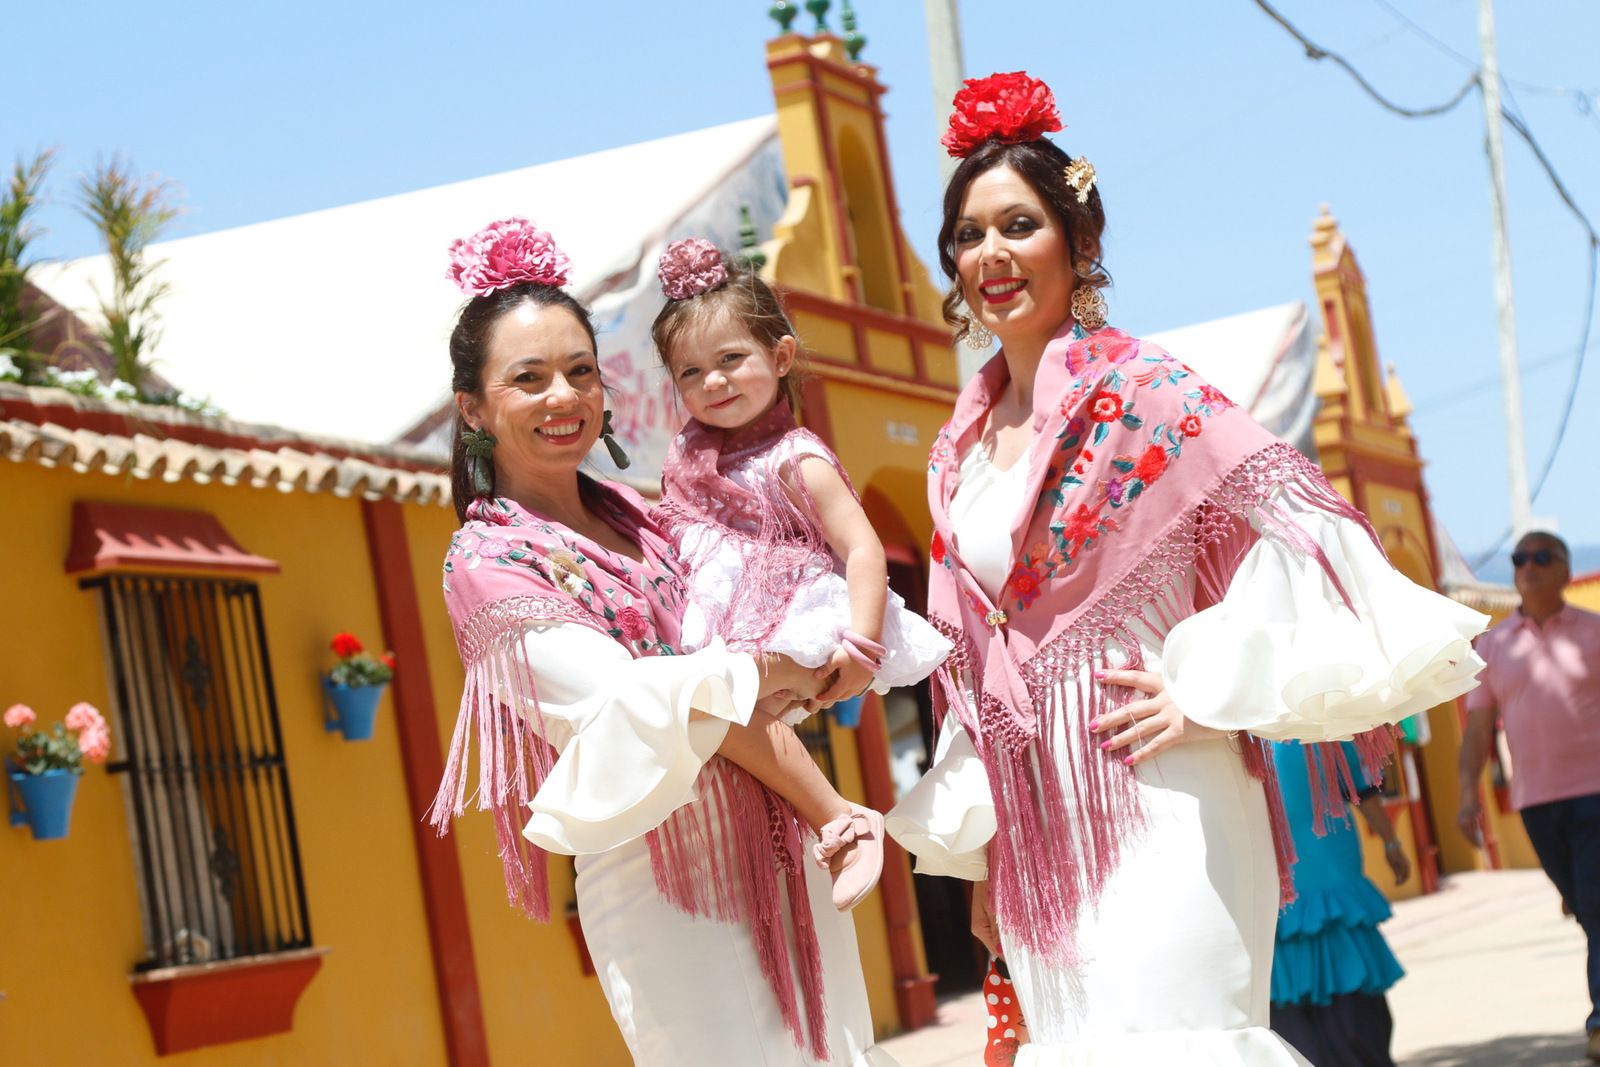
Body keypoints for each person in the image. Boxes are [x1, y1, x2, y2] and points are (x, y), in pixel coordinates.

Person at [884, 71, 1488, 1064]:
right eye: (967, 232)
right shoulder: (957, 445)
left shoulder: (1144, 390)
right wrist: (991, 854)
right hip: (1041, 826)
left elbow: (1305, 526)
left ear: (1079, 244)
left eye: (1019, 224)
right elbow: (975, 670)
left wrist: (1215, 695)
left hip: (1162, 788)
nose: (989, 253)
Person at [427, 217, 900, 1066]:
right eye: (527, 378)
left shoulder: (650, 519)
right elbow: (634, 702)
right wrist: (783, 666)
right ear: (473, 407)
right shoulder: (489, 563)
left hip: (785, 845)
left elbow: (756, 623)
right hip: (666, 885)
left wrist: (818, 654)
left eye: (580, 371)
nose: (563, 397)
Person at [650, 238, 951, 909]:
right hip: (725, 616)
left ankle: (841, 819)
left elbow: (864, 549)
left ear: (781, 357)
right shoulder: (688, 459)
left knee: (716, 699)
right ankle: (808, 830)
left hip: (798, 617)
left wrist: (863, 645)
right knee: (722, 719)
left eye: (732, 360)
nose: (714, 382)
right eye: (692, 372)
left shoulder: (796, 457)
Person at [1458, 530, 1600, 1063]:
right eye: (1521, 558)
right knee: (1588, 908)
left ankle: (1599, 1022)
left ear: (1566, 570)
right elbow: (1476, 730)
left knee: (1597, 907)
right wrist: (1465, 794)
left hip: (1596, 793)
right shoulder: (1495, 646)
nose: (1529, 565)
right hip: (1536, 802)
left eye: (1543, 557)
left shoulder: (1594, 631)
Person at [1269, 740, 1410, 1067]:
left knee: (1350, 1019)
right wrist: (1390, 842)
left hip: (1326, 872)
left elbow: (1361, 783)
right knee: (1299, 1028)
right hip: (1279, 878)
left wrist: (1391, 841)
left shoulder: (1322, 710)